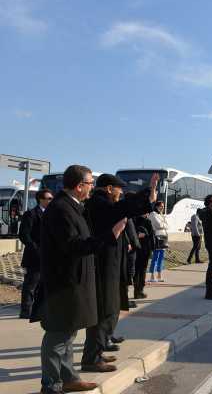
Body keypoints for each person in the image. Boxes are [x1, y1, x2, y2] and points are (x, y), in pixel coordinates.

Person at [36, 165, 128, 393]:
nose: (91, 188)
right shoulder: (61, 210)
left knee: (68, 333)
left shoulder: (72, 207)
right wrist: (111, 235)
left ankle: (68, 378)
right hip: (63, 284)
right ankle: (51, 384)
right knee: (58, 336)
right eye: (89, 184)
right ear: (79, 186)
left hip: (73, 283)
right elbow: (73, 246)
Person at [81, 173, 156, 373]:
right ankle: (91, 358)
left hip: (112, 264)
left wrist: (149, 197)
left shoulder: (104, 203)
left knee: (109, 309)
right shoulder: (99, 203)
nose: (121, 191)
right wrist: (147, 193)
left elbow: (126, 210)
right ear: (108, 188)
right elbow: (123, 209)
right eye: (119, 188)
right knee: (104, 310)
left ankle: (96, 352)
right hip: (104, 265)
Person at [18, 188, 53, 319]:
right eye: (48, 198)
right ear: (41, 199)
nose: (51, 201)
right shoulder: (31, 214)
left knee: (43, 285)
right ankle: (26, 311)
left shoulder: (52, 214)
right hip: (35, 256)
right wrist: (36, 249)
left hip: (48, 256)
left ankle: (40, 310)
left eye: (52, 198)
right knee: (31, 284)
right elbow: (24, 235)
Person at [133, 211, 155, 299]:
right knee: (142, 270)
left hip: (136, 249)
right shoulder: (147, 222)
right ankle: (140, 291)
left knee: (137, 270)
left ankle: (136, 291)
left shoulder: (134, 220)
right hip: (145, 249)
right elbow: (151, 236)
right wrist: (153, 249)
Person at [148, 201, 168, 283]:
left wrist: (163, 224)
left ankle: (159, 275)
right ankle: (152, 276)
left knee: (161, 258)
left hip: (164, 237)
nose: (162, 208)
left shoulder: (161, 215)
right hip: (157, 237)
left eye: (163, 206)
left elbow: (167, 225)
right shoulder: (153, 214)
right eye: (160, 206)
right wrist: (164, 225)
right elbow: (158, 225)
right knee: (155, 257)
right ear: (156, 206)